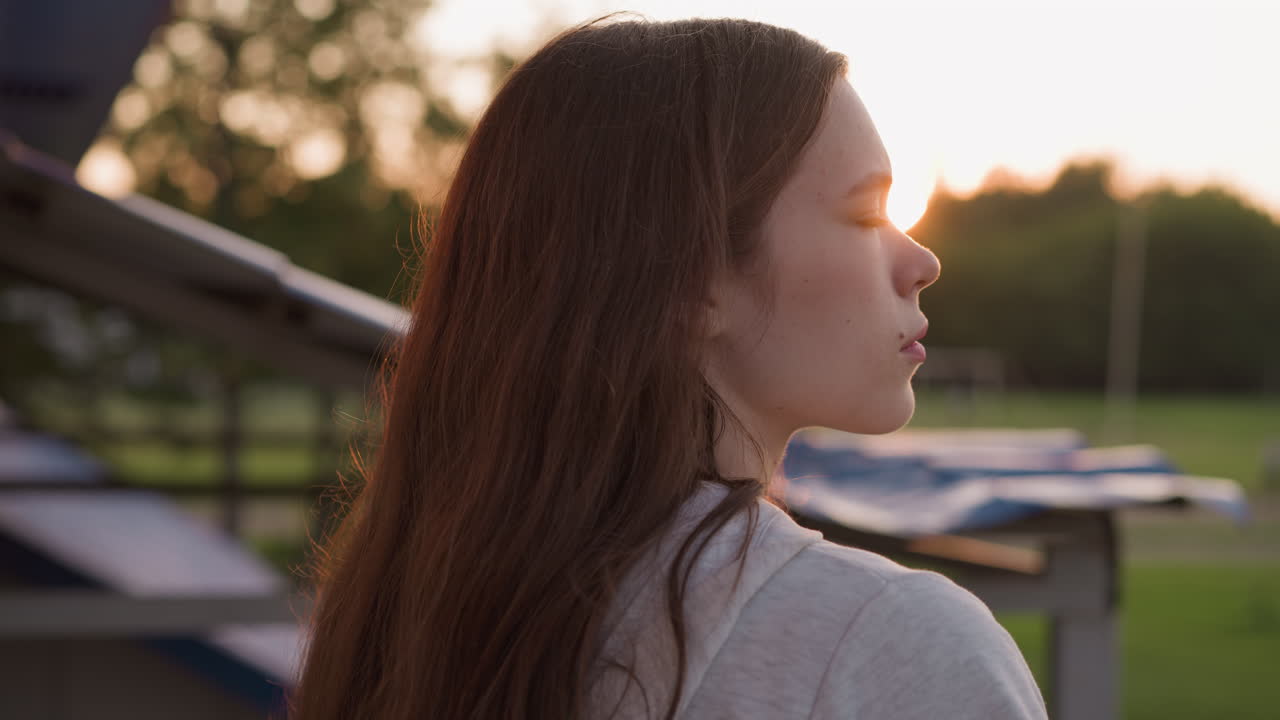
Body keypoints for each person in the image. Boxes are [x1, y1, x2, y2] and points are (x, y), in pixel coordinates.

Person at [288, 14, 1048, 720]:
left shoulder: (398, 622)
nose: (922, 260)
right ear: (691, 282)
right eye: (864, 215)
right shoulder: (891, 648)